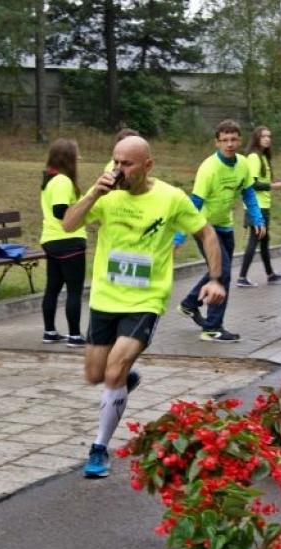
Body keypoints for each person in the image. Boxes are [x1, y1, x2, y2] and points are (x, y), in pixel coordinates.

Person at [62, 135, 226, 479]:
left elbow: (207, 234)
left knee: (112, 372)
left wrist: (215, 279)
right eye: (115, 161)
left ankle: (98, 449)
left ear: (147, 165)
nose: (119, 169)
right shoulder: (105, 194)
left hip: (145, 299)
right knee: (95, 375)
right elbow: (69, 224)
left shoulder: (170, 198)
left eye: (128, 164)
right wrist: (93, 193)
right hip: (106, 297)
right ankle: (123, 381)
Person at [175, 119, 264, 343]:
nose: (230, 144)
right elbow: (193, 203)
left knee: (219, 270)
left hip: (225, 224)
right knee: (222, 272)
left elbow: (249, 193)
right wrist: (179, 235)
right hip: (204, 228)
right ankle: (212, 328)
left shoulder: (243, 164)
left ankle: (189, 304)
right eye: (225, 140)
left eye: (234, 139)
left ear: (240, 140)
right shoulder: (209, 168)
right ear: (217, 143)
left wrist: (256, 217)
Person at [39, 138, 86, 347]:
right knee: (74, 291)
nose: (80, 157)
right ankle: (75, 335)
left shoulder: (50, 179)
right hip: (69, 242)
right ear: (69, 158)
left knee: (52, 289)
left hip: (51, 241)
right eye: (77, 154)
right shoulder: (63, 181)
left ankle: (50, 332)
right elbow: (60, 211)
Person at [236, 126, 281, 287]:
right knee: (255, 239)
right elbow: (252, 184)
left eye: (269, 136)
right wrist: (274, 186)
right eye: (263, 136)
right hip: (256, 207)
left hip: (264, 206)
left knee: (264, 240)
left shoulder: (263, 157)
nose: (267, 139)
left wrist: (278, 185)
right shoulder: (253, 157)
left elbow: (263, 182)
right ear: (256, 138)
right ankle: (242, 277)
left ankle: (270, 274)